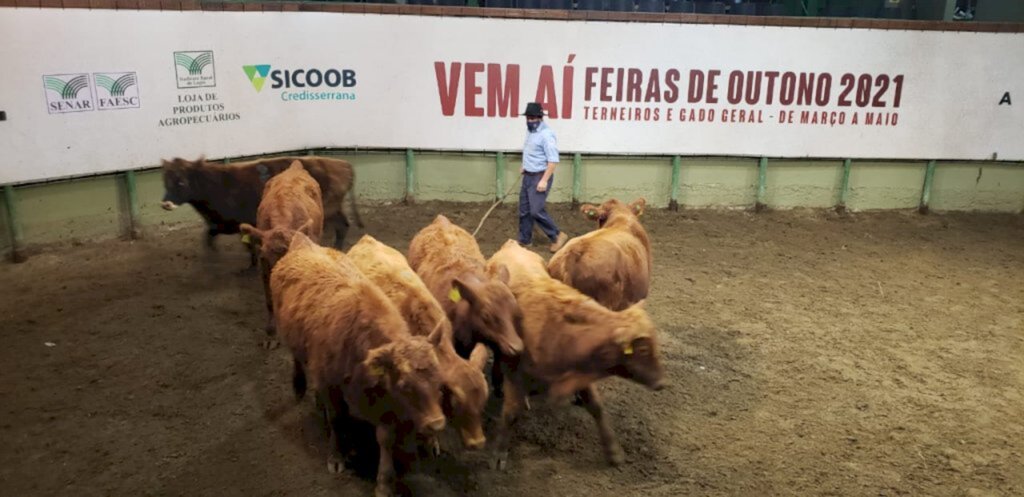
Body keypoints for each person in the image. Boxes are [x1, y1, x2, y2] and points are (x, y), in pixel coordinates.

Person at [518, 102, 568, 253]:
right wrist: (524, 165)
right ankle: (525, 240)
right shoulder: (530, 132)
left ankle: (557, 235)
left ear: (540, 118)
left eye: (533, 118)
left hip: (540, 176)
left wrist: (544, 180)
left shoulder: (546, 135)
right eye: (528, 118)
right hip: (528, 175)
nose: (530, 121)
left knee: (536, 210)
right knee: (524, 210)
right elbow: (529, 151)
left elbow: (553, 161)